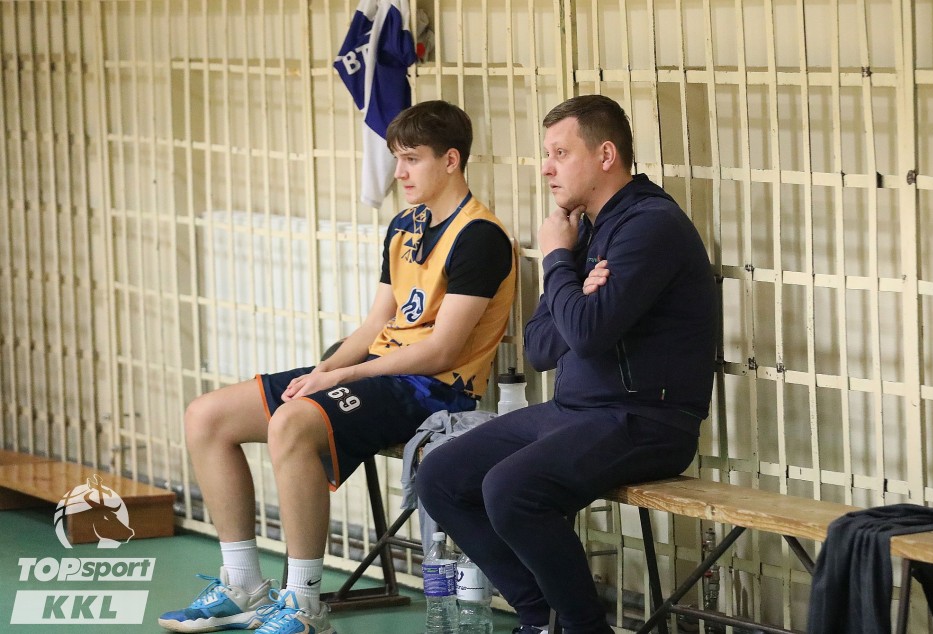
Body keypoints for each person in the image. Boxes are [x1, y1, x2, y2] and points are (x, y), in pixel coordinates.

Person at [159, 100, 516, 634]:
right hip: (381, 373)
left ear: (450, 160)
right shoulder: (405, 225)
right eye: (396, 158)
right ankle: (242, 586)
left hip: (434, 389)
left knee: (291, 423)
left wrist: (343, 377)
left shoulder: (480, 235)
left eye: (412, 159)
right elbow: (375, 324)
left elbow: (443, 351)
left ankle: (304, 605)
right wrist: (323, 372)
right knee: (206, 416)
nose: (399, 172)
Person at [416, 94, 719, 634]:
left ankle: (583, 628)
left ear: (605, 155)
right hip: (576, 411)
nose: (547, 168)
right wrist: (575, 285)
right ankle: (541, 618)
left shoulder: (651, 226)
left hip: (647, 420)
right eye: (546, 154)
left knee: (511, 489)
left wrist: (557, 259)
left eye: (560, 153)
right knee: (440, 476)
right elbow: (539, 349)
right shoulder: (587, 229)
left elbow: (585, 332)